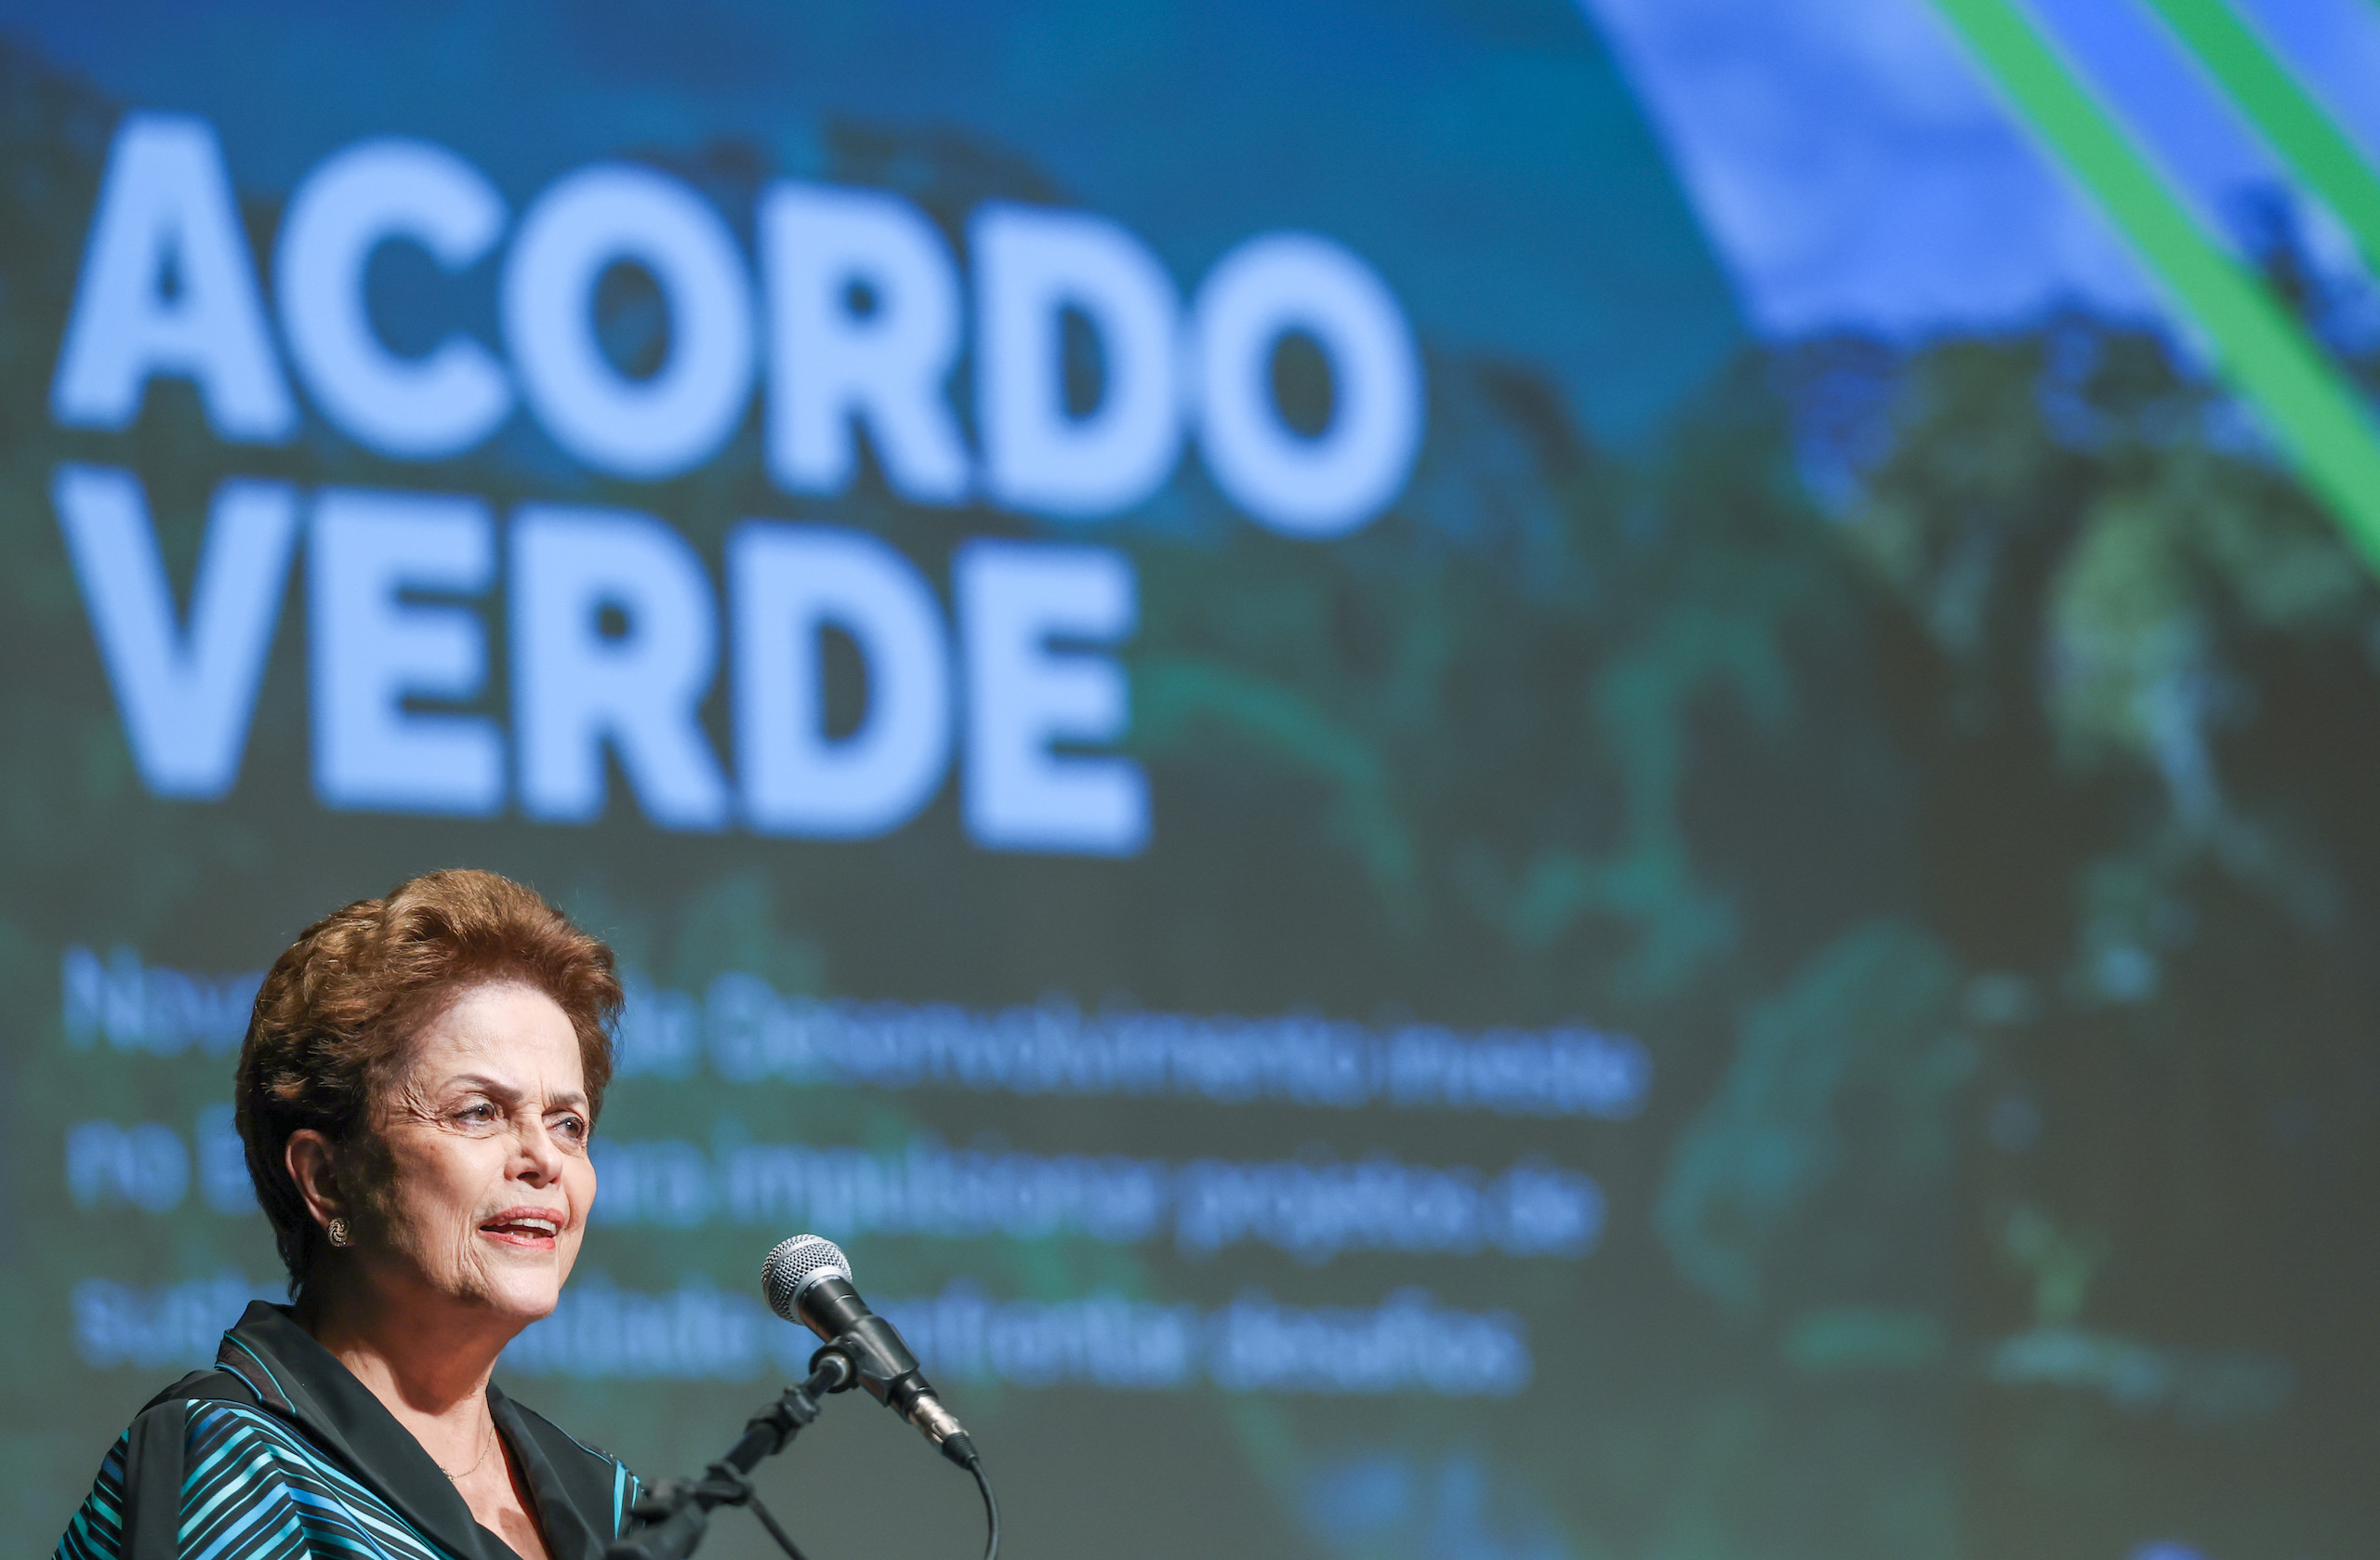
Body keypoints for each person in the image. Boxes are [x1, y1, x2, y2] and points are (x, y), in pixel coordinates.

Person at [57, 869, 642, 1560]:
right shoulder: (228, 1465)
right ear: (327, 1179)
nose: (544, 1160)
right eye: (479, 1112)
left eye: (568, 1125)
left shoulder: (606, 1502)